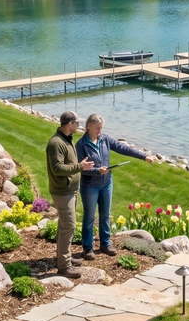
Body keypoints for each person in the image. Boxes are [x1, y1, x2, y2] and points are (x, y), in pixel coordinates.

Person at [75, 114, 155, 259]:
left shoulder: (104, 139)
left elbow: (122, 148)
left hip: (106, 184)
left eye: (101, 128)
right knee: (89, 217)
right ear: (88, 127)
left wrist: (144, 156)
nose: (100, 131)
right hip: (89, 186)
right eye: (97, 128)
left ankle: (105, 244)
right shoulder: (81, 145)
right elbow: (80, 168)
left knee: (105, 215)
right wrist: (97, 171)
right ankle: (87, 248)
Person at [46, 111, 94, 277]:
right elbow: (57, 168)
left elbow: (67, 164)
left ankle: (64, 257)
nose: (79, 125)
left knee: (64, 225)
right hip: (62, 191)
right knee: (69, 226)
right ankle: (64, 265)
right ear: (69, 124)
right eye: (77, 123)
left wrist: (79, 165)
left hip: (70, 190)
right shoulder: (56, 143)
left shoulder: (67, 140)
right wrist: (80, 167)